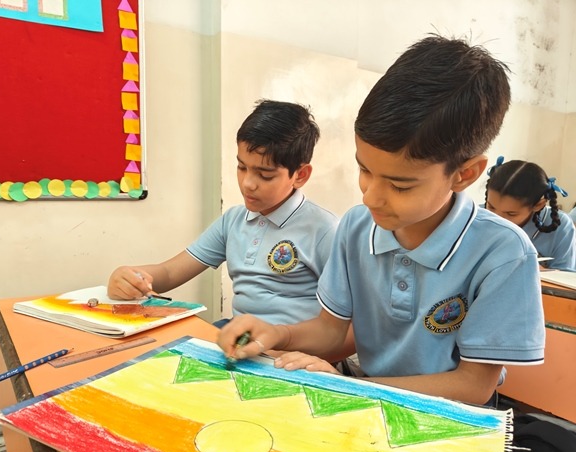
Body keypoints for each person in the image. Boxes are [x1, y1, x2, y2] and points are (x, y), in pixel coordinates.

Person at [217, 35, 546, 406]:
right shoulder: (357, 227)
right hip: (369, 398)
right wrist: (277, 334)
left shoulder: (503, 253)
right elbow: (331, 330)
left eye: (400, 185)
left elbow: (473, 386)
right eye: (364, 170)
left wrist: (355, 389)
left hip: (450, 418)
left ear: (464, 174)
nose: (370, 197)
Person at [108, 99, 339, 326]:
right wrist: (130, 278)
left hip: (293, 346)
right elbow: (169, 273)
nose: (247, 183)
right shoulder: (233, 221)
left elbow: (346, 325)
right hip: (240, 338)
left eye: (265, 175)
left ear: (300, 175)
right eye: (241, 167)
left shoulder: (324, 230)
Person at [484, 157, 576, 271]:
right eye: (491, 207)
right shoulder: (475, 217)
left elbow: (565, 277)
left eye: (511, 214)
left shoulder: (561, 226)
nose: (497, 219)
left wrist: (534, 270)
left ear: (538, 205)